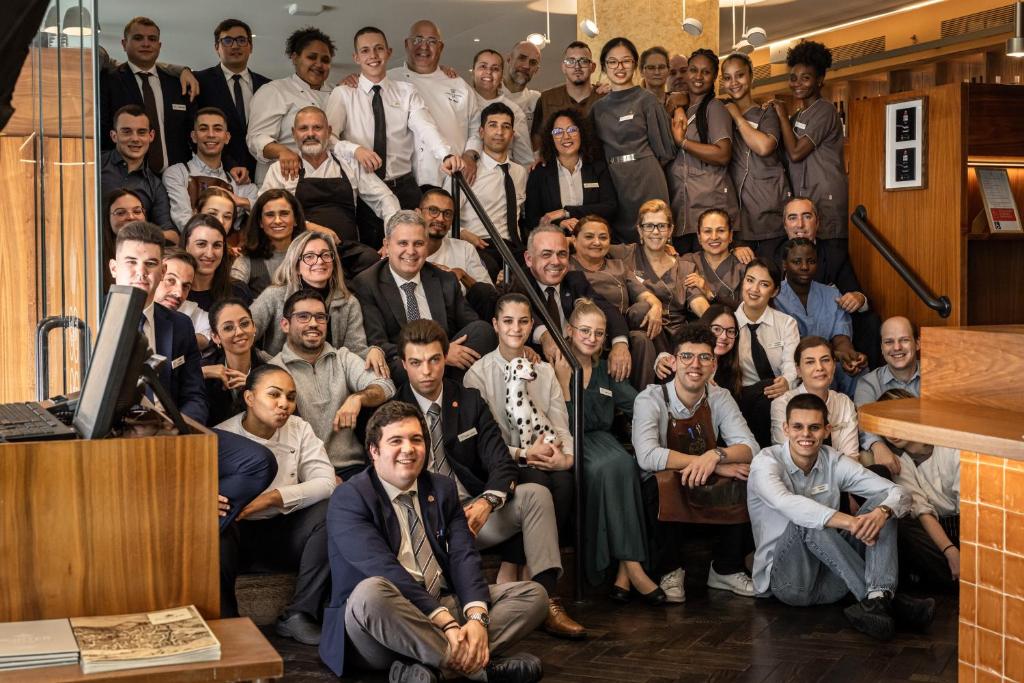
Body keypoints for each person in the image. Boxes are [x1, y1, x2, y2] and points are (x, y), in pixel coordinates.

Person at [319, 401, 547, 682]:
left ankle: (429, 668)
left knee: (533, 596)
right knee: (370, 592)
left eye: (416, 439)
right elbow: (383, 570)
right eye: (396, 441)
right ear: (374, 451)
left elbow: (464, 555)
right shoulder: (350, 498)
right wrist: (446, 622)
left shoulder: (441, 487)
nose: (408, 449)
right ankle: (480, 669)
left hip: (439, 600)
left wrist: (476, 619)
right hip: (382, 621)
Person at [397, 319, 585, 639]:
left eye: (434, 360)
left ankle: (547, 601)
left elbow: (501, 462)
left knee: (536, 494)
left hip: (472, 514)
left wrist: (487, 500)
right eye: (416, 363)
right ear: (404, 365)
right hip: (423, 525)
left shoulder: (468, 400)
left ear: (445, 358)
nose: (426, 371)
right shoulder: (395, 410)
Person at [109, 220, 277, 530]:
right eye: (131, 263)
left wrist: (179, 431)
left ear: (160, 270)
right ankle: (186, 511)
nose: (142, 273)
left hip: (174, 432)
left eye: (150, 264)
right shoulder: (97, 320)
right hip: (121, 443)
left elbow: (194, 393)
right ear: (114, 268)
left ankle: (192, 514)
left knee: (258, 463)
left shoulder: (179, 324)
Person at [747, 393, 935, 640]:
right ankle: (886, 600)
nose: (806, 435)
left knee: (882, 506)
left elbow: (899, 493)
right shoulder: (766, 462)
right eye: (798, 427)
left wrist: (882, 512)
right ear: (786, 429)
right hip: (790, 584)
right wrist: (849, 521)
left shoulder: (833, 460)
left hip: (835, 579)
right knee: (806, 521)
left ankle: (876, 600)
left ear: (826, 430)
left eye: (814, 428)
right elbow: (788, 504)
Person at [632, 323, 760, 602]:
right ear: (675, 361)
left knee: (747, 475)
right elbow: (647, 456)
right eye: (687, 357)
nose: (696, 364)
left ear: (713, 364)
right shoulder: (650, 398)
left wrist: (715, 457)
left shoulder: (720, 397)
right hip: (668, 488)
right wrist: (708, 464)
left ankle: (726, 568)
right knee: (659, 482)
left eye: (704, 357)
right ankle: (670, 570)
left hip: (706, 484)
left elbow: (750, 447)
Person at [463, 295, 578, 593]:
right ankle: (516, 565)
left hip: (547, 452)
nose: (516, 328)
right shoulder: (478, 375)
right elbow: (486, 441)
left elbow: (560, 423)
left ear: (531, 326)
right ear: (495, 325)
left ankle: (525, 566)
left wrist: (566, 458)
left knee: (565, 482)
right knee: (534, 480)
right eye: (508, 321)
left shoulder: (544, 370)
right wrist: (525, 454)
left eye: (524, 321)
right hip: (504, 459)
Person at [217, 364, 335, 644]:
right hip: (239, 534)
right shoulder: (223, 434)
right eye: (274, 395)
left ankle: (299, 613)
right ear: (249, 398)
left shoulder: (299, 429)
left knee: (333, 511)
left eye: (291, 397)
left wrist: (270, 498)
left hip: (285, 532)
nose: (284, 404)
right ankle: (226, 621)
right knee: (216, 526)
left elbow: (326, 482)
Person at [551, 300, 658, 600]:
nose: (591, 338)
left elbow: (639, 403)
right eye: (585, 330)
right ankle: (632, 568)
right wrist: (562, 384)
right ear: (569, 331)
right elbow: (561, 420)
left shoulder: (605, 368)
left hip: (604, 440)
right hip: (572, 442)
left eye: (599, 333)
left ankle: (627, 570)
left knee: (628, 463)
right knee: (610, 467)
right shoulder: (555, 365)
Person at [325, 26, 463, 248]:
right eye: (366, 50)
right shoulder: (343, 94)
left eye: (379, 49)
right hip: (363, 190)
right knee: (370, 254)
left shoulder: (406, 91)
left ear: (388, 52)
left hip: (405, 187)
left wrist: (446, 154)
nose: (373, 55)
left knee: (412, 252)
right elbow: (327, 139)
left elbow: (425, 127)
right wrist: (355, 150)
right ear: (356, 57)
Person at [352, 211, 497, 384]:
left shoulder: (445, 279)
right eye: (403, 243)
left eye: (418, 243)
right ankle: (448, 393)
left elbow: (470, 323)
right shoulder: (367, 283)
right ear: (387, 245)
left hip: (448, 361)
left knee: (483, 330)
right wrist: (439, 354)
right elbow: (378, 343)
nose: (411, 251)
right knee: (392, 366)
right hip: (405, 364)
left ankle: (448, 393)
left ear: (427, 246)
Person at [269, 289, 395, 480]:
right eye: (303, 317)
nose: (313, 323)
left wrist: (357, 398)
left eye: (320, 317)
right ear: (285, 324)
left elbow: (386, 385)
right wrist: (322, 477)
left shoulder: (343, 358)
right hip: (304, 474)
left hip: (354, 468)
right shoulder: (274, 371)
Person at [259, 106, 395, 274]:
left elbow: (385, 198)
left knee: (373, 261)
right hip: (301, 254)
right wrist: (311, 227)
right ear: (294, 133)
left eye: (317, 127)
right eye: (303, 128)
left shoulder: (349, 164)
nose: (310, 134)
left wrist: (393, 237)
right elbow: (263, 211)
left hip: (347, 253)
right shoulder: (279, 169)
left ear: (329, 131)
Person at [590, 37, 676, 243]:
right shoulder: (597, 108)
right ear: (604, 66)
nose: (619, 67)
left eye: (626, 61)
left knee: (652, 237)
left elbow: (665, 150)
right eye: (612, 62)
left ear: (635, 65)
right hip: (614, 183)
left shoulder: (646, 100)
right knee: (620, 247)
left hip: (646, 179)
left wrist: (641, 165)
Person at [780, 196, 880, 368]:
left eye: (807, 216)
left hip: (833, 329)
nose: (800, 224)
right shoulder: (772, 255)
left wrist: (858, 298)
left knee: (871, 321)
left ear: (817, 222)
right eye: (793, 217)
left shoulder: (835, 255)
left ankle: (870, 376)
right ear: (785, 225)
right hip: (789, 337)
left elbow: (855, 294)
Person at [250, 231, 379, 364]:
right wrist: (269, 364)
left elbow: (356, 352)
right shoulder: (274, 296)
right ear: (296, 266)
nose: (320, 261)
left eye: (326, 255)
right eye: (310, 256)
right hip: (281, 377)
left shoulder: (348, 303)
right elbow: (243, 335)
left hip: (331, 379)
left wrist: (374, 351)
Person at [771, 41, 848, 264]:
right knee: (808, 262)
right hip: (805, 200)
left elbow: (796, 152)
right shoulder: (799, 115)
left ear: (820, 80)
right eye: (793, 78)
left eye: (806, 78)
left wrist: (782, 115)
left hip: (826, 198)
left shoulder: (824, 110)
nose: (797, 84)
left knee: (830, 258)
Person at [877, 388, 960, 591]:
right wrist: (950, 551)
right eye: (885, 424)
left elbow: (970, 505)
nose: (891, 432)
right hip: (938, 534)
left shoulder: (949, 444)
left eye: (898, 421)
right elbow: (923, 513)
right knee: (900, 524)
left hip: (969, 526)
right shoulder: (900, 463)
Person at [568, 216, 662, 388]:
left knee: (642, 339)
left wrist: (657, 306)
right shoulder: (566, 266)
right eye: (589, 236)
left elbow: (644, 295)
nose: (597, 242)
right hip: (587, 333)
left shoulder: (618, 266)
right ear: (574, 240)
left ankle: (643, 398)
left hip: (621, 329)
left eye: (603, 237)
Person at [388, 20, 479, 187]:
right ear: (407, 44)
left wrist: (470, 155)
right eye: (417, 39)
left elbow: (476, 127)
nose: (424, 46)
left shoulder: (458, 84)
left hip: (451, 178)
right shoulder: (389, 80)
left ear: (440, 47)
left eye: (431, 41)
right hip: (402, 182)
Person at [775, 238, 868, 394]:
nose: (804, 267)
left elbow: (841, 336)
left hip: (831, 360)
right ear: (785, 264)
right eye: (797, 262)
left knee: (857, 371)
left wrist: (849, 356)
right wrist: (833, 355)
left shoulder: (831, 294)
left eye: (811, 261)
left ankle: (857, 416)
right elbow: (791, 345)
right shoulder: (775, 297)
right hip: (795, 363)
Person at [100, 17, 193, 172]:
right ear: (124, 44)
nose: (146, 44)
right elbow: (103, 130)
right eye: (138, 38)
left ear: (159, 45)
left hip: (176, 178)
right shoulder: (108, 81)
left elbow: (191, 131)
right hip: (124, 176)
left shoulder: (178, 84)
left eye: (152, 39)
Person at [446, 101, 527, 280]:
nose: (499, 132)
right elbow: (442, 217)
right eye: (493, 125)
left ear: (512, 134)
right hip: (480, 245)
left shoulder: (519, 172)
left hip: (515, 247)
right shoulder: (465, 170)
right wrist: (463, 233)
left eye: (506, 127)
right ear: (481, 132)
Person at [668, 49, 738, 254]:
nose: (698, 77)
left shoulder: (715, 108)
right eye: (693, 70)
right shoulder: (686, 107)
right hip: (685, 210)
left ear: (714, 77)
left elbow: (723, 154)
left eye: (705, 72)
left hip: (709, 209)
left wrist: (684, 143)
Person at [720, 53, 788, 259]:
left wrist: (737, 116)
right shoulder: (720, 114)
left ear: (751, 77)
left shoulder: (766, 114)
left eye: (739, 75)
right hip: (738, 218)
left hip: (769, 214)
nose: (734, 83)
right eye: (727, 77)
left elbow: (764, 146)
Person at [247, 27, 336, 184]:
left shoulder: (337, 92)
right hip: (284, 180)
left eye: (325, 60)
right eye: (311, 57)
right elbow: (256, 138)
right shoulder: (274, 90)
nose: (319, 64)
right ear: (295, 58)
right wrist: (282, 151)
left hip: (329, 179)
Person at [614, 200, 702, 354]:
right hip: (641, 339)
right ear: (640, 231)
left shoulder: (685, 267)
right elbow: (593, 245)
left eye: (661, 226)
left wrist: (717, 326)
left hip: (677, 339)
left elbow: (698, 303)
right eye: (649, 226)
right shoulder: (626, 254)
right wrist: (568, 239)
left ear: (670, 230)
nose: (655, 232)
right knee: (643, 310)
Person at [733, 258, 800, 447]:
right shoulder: (728, 322)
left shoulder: (786, 323)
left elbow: (791, 364)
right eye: (749, 280)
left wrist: (787, 381)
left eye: (764, 284)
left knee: (775, 397)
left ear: (775, 291)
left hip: (777, 394)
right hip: (741, 396)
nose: (754, 289)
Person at [194, 19, 271, 178]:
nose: (235, 46)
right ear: (217, 47)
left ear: (250, 47)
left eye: (241, 40)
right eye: (228, 40)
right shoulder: (199, 81)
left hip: (262, 169)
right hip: (215, 169)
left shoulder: (268, 86)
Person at [523, 108, 617, 234]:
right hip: (556, 242)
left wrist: (566, 212)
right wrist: (559, 223)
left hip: (594, 239)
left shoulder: (597, 167)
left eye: (572, 130)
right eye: (558, 132)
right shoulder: (539, 172)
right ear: (550, 138)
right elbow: (531, 219)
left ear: (581, 133)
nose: (565, 136)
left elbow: (610, 207)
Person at [163, 107, 258, 231]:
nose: (211, 134)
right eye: (203, 129)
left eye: (217, 129)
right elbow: (183, 218)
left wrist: (238, 200)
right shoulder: (177, 173)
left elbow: (266, 210)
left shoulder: (240, 184)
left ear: (227, 137)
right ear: (194, 136)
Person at [770, 336, 859, 459]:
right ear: (798, 370)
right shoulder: (782, 404)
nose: (819, 368)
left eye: (825, 360)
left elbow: (851, 457)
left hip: (842, 475)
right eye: (810, 362)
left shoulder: (844, 403)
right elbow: (789, 457)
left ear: (834, 365)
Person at [854, 316, 922, 477]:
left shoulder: (937, 375)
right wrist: (877, 445)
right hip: (895, 457)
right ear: (882, 348)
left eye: (904, 340)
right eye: (889, 342)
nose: (897, 347)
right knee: (866, 458)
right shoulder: (868, 383)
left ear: (918, 343)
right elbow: (864, 423)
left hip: (934, 451)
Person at [100, 105, 175, 242]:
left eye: (141, 132)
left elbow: (172, 236)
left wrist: (138, 232)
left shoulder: (155, 186)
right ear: (114, 136)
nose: (135, 138)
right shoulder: (95, 165)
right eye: (127, 132)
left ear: (151, 136)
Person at [202, 298, 270, 427]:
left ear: (254, 327)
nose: (239, 332)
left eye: (244, 324)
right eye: (228, 328)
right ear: (215, 337)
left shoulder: (270, 371)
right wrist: (201, 373)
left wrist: (255, 389)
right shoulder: (205, 372)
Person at [418, 186, 494, 297]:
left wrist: (462, 275)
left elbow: (489, 296)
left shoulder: (465, 249)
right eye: (433, 210)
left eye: (447, 213)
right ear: (418, 213)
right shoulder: (405, 251)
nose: (440, 218)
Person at [465, 49, 534, 169]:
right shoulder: (461, 102)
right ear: (473, 71)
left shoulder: (514, 111)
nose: (488, 72)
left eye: (495, 69)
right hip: (462, 176)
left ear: (502, 75)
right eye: (483, 66)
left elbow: (525, 159)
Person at [531, 41, 604, 151]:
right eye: (571, 61)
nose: (577, 66)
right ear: (563, 67)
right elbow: (536, 138)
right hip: (556, 165)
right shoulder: (546, 99)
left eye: (583, 61)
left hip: (599, 165)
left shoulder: (605, 98)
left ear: (592, 67)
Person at [231, 189, 305, 296]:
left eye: (284, 213)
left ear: (296, 220)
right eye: (270, 215)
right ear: (260, 222)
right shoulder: (246, 260)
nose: (277, 221)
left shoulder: (311, 256)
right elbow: (231, 300)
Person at [678, 208, 748, 312]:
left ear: (730, 235)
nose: (714, 237)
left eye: (721, 230)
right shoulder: (687, 261)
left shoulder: (744, 266)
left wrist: (709, 293)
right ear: (699, 237)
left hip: (733, 326)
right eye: (707, 231)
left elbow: (749, 311)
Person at [181, 213, 251, 315]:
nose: (210, 254)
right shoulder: (173, 292)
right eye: (201, 244)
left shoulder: (238, 291)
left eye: (217, 245)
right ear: (186, 246)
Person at [154, 249, 211, 352]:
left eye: (186, 286)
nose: (179, 293)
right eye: (171, 280)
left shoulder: (188, 312)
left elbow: (214, 330)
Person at [102, 189, 147, 291]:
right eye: (121, 213)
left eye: (137, 211)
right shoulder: (95, 257)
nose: (131, 217)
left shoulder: (161, 249)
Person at [503, 41, 542, 132]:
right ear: (509, 59)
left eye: (533, 62)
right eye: (522, 58)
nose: (526, 66)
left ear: (536, 70)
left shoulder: (536, 100)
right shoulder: (488, 94)